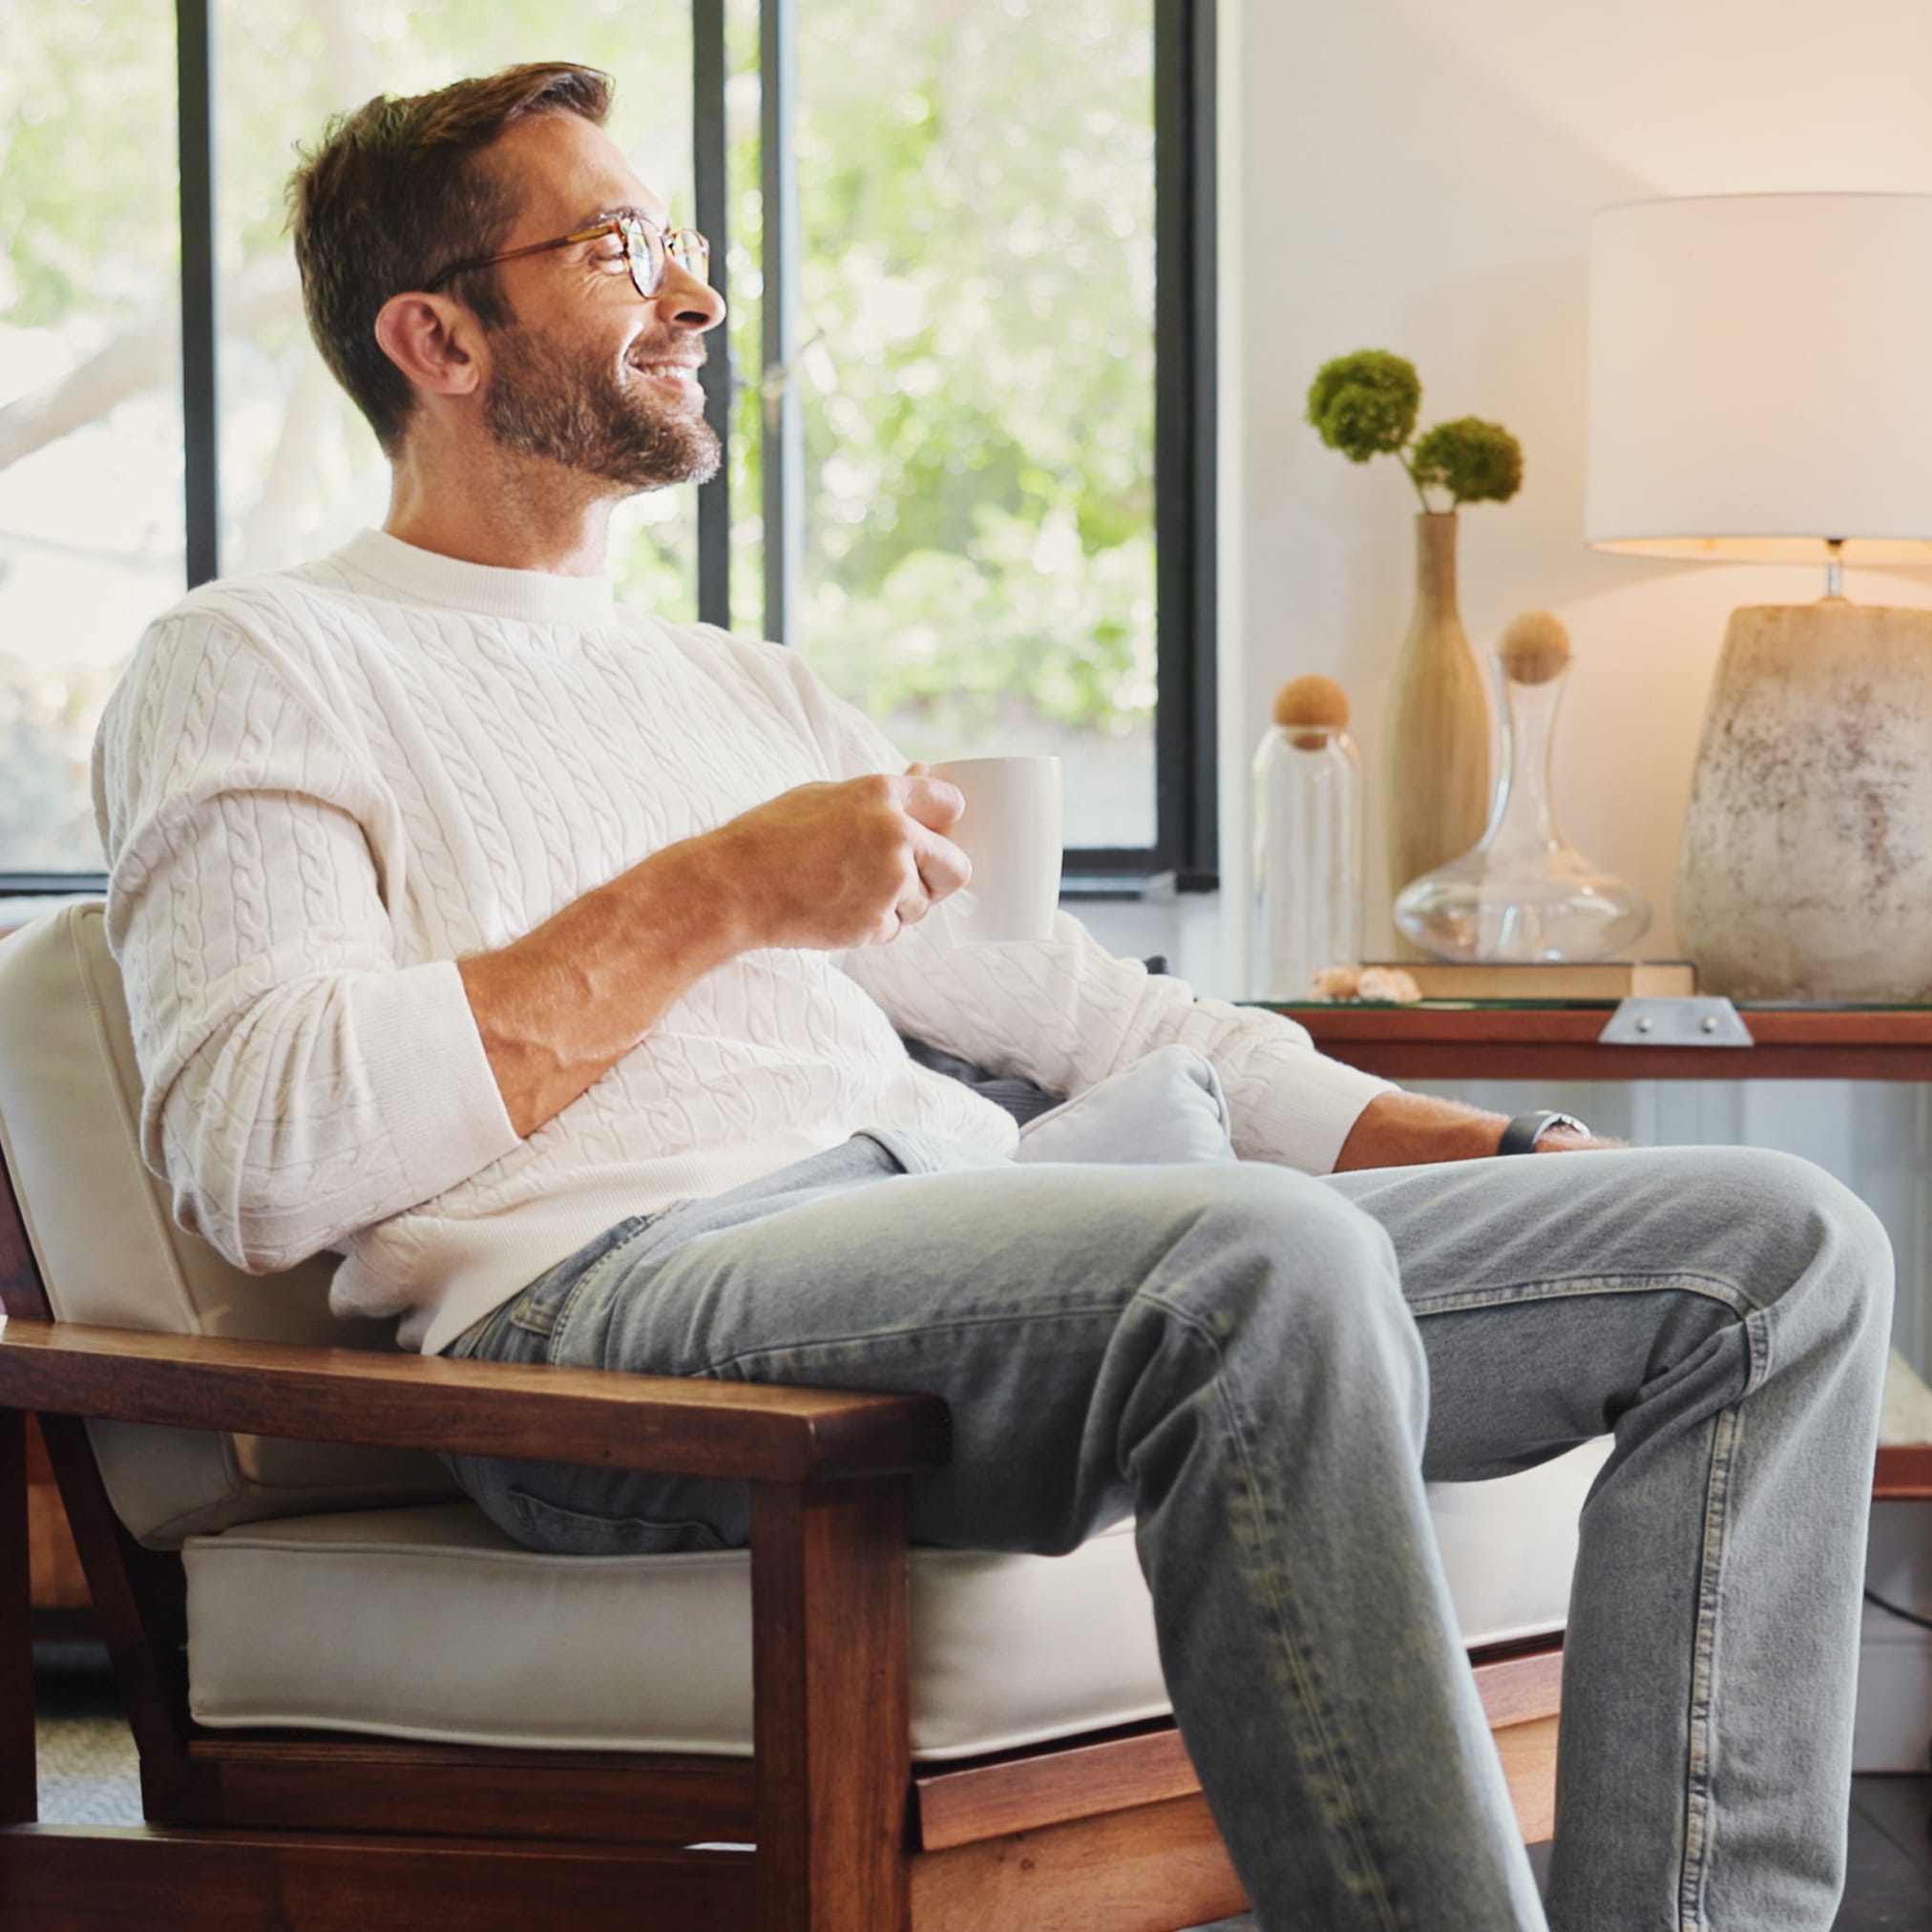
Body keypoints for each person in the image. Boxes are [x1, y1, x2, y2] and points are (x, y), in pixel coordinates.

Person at [91, 62, 1895, 1932]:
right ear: (438, 339)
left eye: (680, 244)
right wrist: (720, 892)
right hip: (604, 1315)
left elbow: (1101, 1021)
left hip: (942, 1233)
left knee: (1776, 1247)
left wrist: (1495, 1147)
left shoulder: (746, 689)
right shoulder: (258, 657)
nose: (697, 296)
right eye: (620, 249)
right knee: (1256, 1259)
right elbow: (260, 1152)